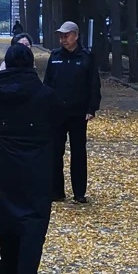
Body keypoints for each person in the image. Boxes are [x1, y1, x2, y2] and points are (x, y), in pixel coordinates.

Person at [0, 42, 62, 274]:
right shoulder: (45, 95)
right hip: (36, 165)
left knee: (8, 215)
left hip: (5, 161)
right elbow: (57, 122)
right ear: (32, 64)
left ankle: (7, 271)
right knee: (33, 221)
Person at [43, 20, 101, 203]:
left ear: (76, 35)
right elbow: (48, 83)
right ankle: (56, 191)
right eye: (61, 36)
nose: (63, 39)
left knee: (78, 153)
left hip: (78, 112)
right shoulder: (54, 56)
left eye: (66, 35)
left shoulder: (86, 57)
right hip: (57, 113)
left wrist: (92, 108)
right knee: (54, 152)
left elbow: (93, 84)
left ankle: (79, 192)